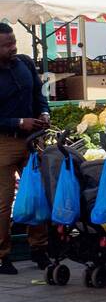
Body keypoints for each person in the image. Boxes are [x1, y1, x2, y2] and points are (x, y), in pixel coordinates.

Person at [0, 22, 50, 273]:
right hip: (4, 142)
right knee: (3, 201)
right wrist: (19, 121)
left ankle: (39, 248)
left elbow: (39, 94)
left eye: (13, 42)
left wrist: (43, 111)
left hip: (32, 139)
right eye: (6, 44)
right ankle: (2, 255)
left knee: (37, 194)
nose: (13, 47)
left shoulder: (25, 64)